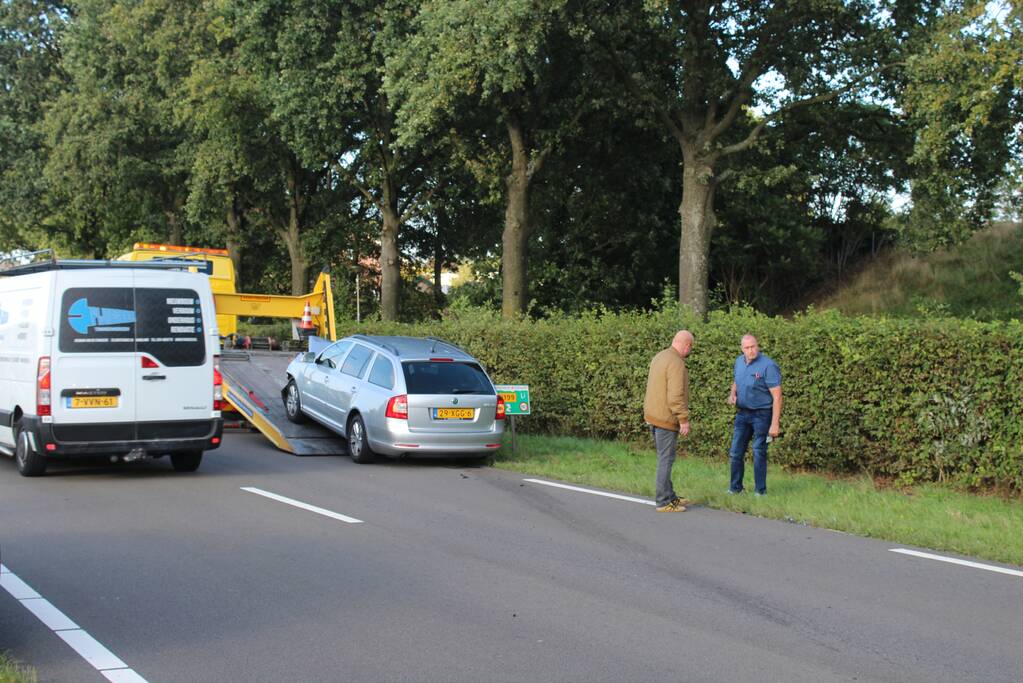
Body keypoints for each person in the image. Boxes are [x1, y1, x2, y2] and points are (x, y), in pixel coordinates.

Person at [643, 330, 694, 512]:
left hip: (653, 416)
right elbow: (675, 396)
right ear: (687, 345)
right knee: (666, 460)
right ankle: (663, 501)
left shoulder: (660, 356)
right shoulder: (676, 363)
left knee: (664, 458)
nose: (690, 351)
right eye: (691, 347)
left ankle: (670, 496)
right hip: (666, 419)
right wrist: (683, 419)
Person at [726, 334, 782, 496]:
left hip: (762, 415)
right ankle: (735, 489)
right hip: (742, 414)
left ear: (757, 346)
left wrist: (775, 423)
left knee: (758, 452)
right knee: (735, 452)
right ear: (741, 349)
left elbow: (777, 396)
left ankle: (760, 491)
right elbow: (736, 381)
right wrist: (732, 394)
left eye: (753, 346)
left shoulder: (768, 366)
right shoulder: (739, 362)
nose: (751, 350)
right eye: (747, 348)